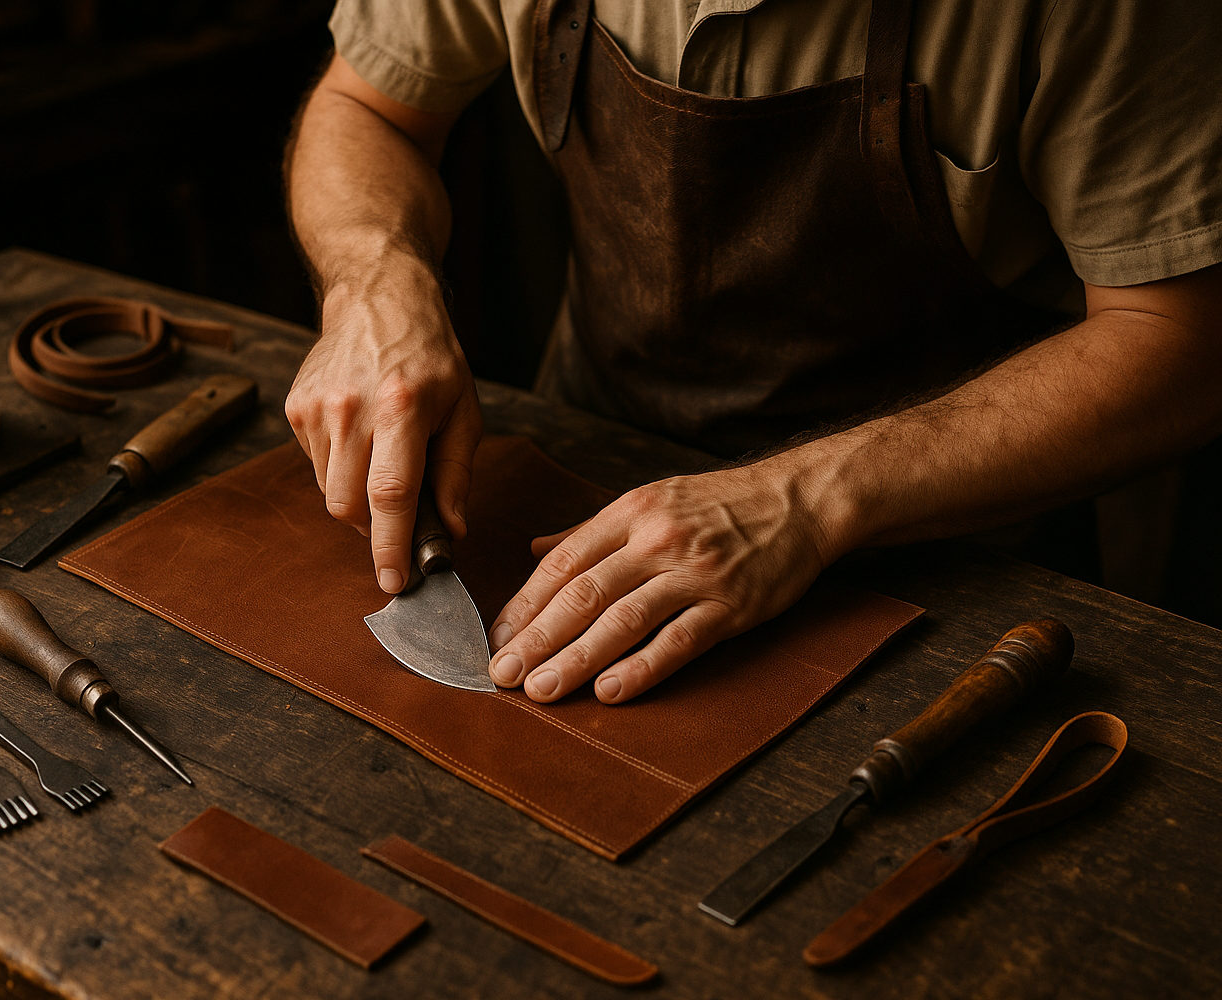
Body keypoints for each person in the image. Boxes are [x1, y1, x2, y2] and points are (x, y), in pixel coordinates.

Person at [283, 0, 1222, 706]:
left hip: (943, 565)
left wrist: (805, 499)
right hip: (582, 484)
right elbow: (367, 109)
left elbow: (1183, 340)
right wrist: (374, 273)